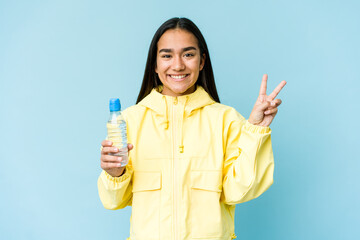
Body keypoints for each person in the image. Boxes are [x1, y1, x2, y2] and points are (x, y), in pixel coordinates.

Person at [98, 17, 286, 240]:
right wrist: (114, 174)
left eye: (188, 54)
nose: (177, 65)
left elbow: (240, 190)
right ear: (155, 65)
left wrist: (255, 129)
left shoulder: (226, 120)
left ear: (202, 61)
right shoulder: (128, 121)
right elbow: (113, 201)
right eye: (167, 55)